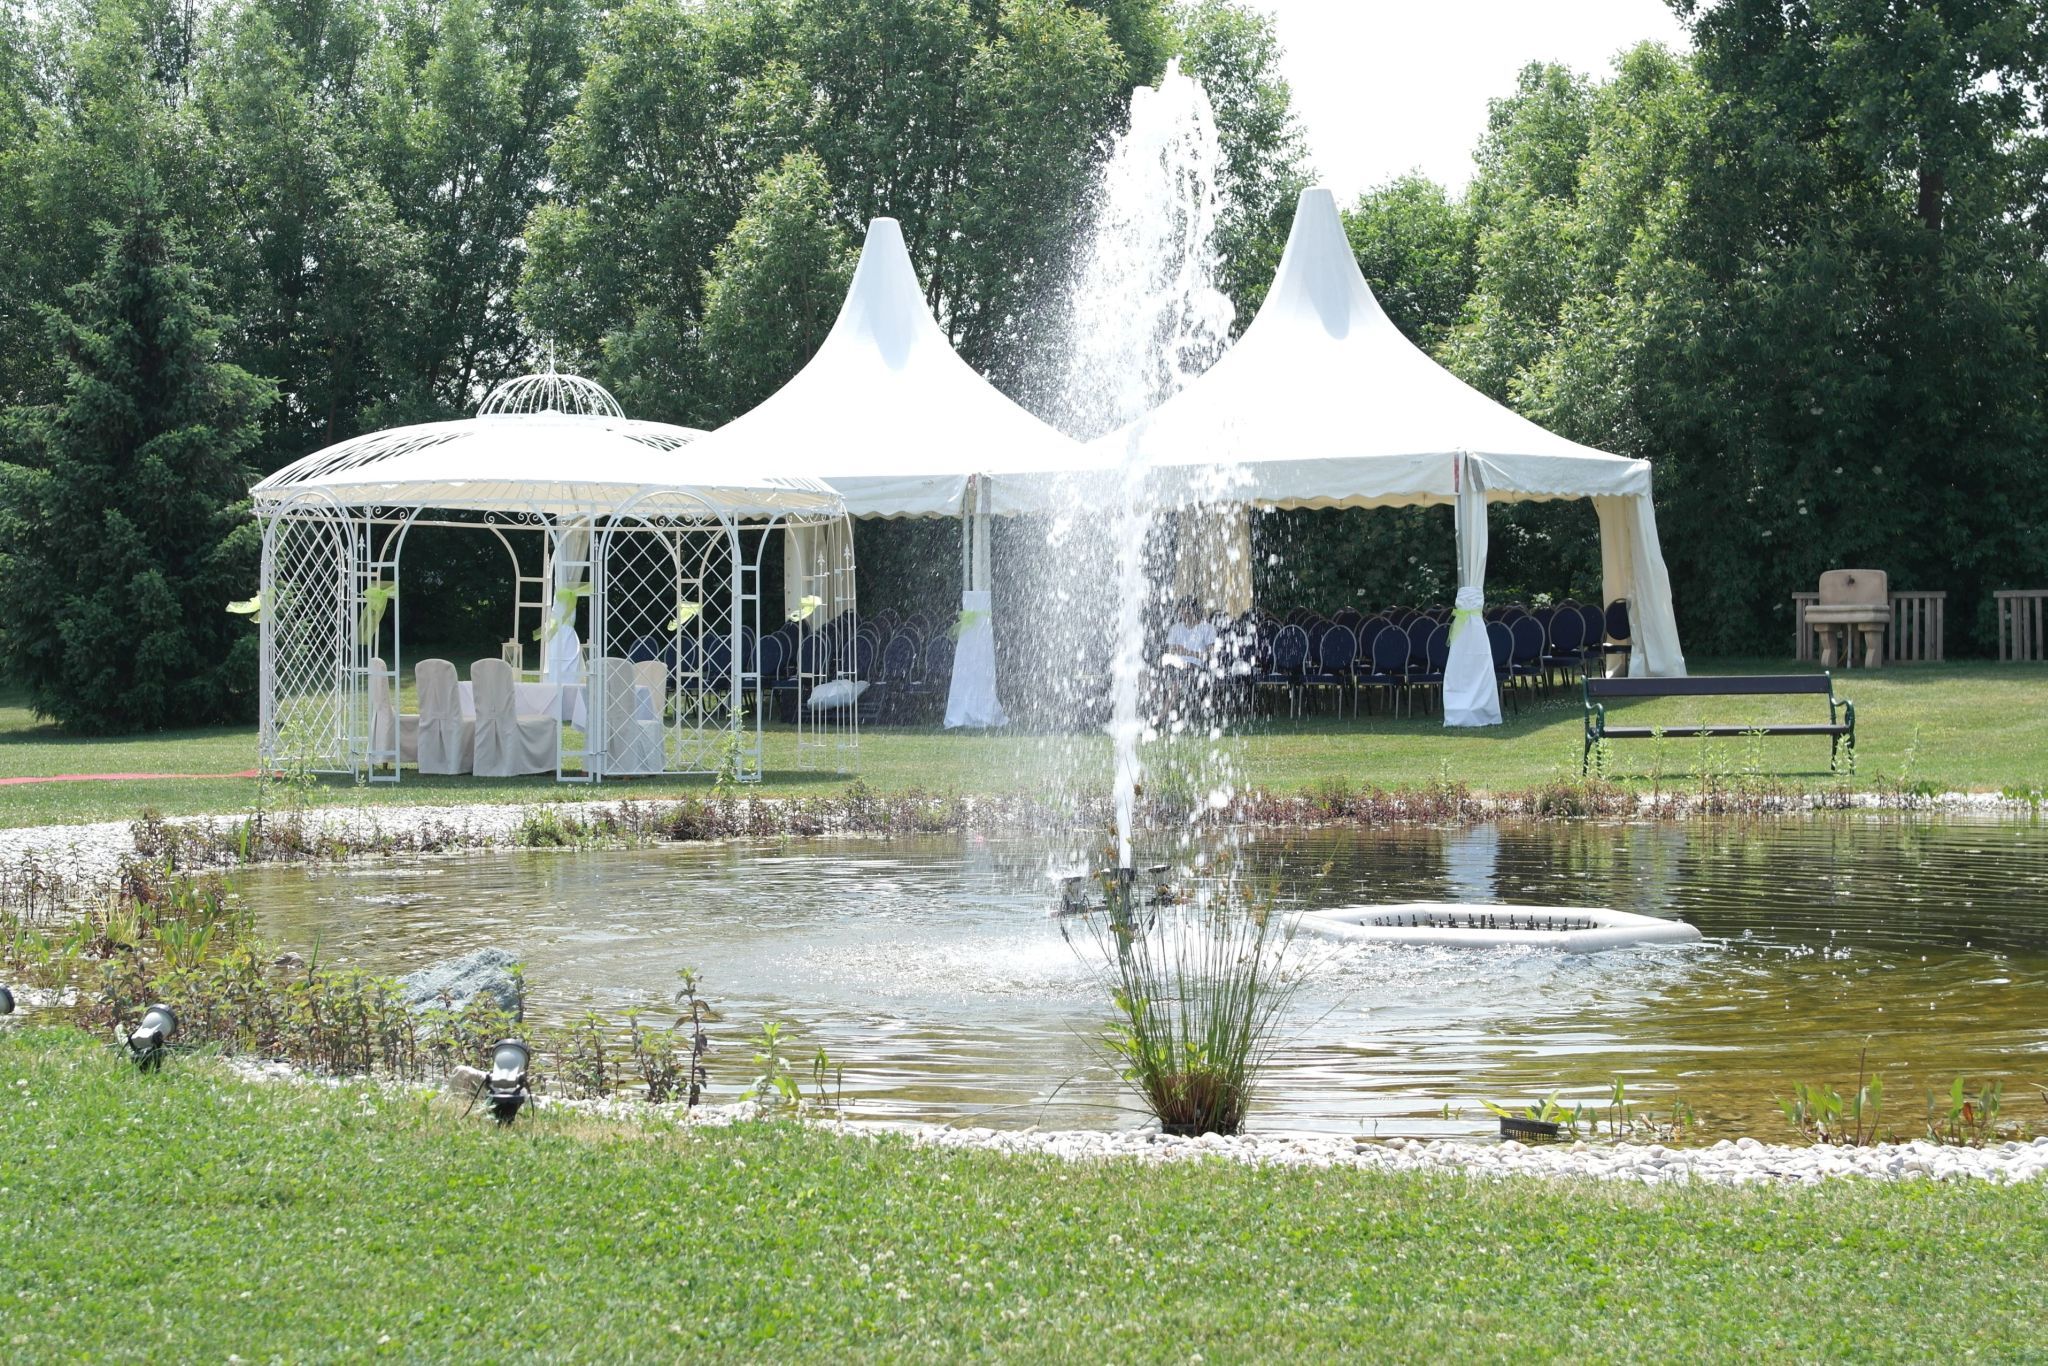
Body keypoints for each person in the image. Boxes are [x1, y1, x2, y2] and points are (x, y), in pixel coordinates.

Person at [1161, 597, 1216, 671]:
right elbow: (1168, 651)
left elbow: (1211, 656)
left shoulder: (1207, 628)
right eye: (1181, 613)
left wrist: (1188, 652)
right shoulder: (1174, 628)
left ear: (1194, 611)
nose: (1184, 616)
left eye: (1187, 612)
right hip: (1176, 667)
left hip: (1198, 670)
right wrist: (1174, 652)